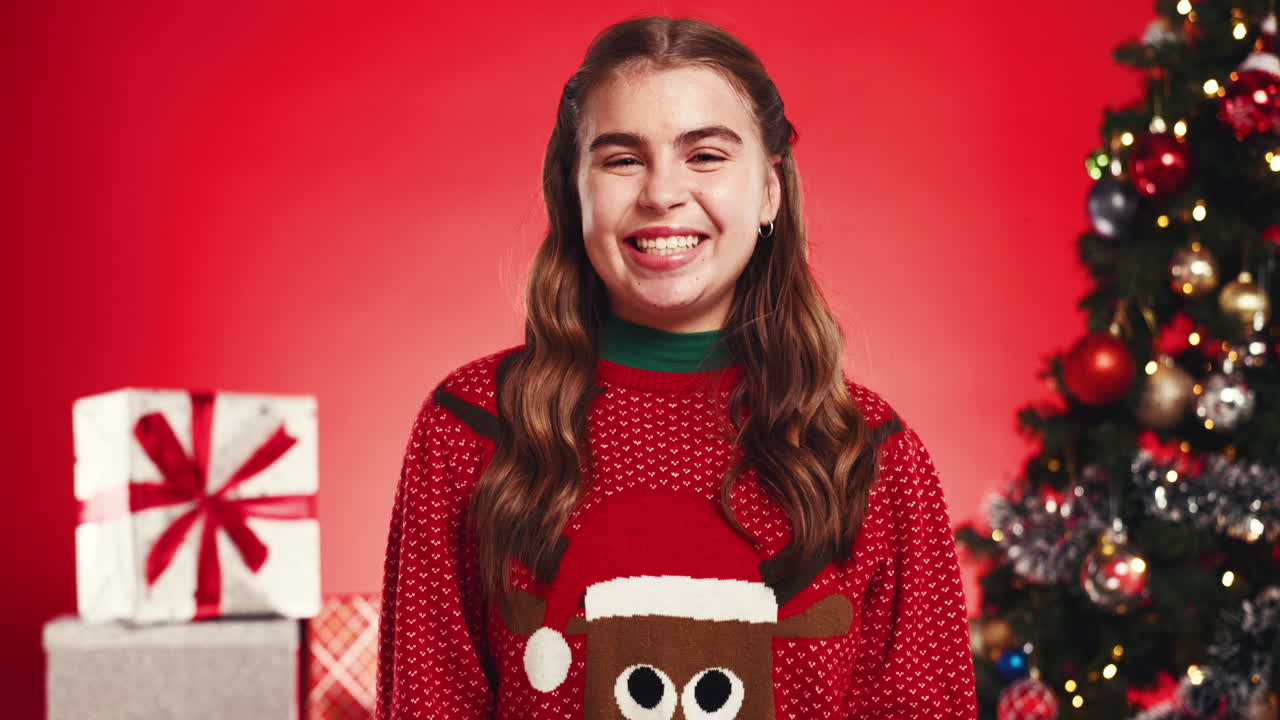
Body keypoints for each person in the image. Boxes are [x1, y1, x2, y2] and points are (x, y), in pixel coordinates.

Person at [376, 15, 977, 720]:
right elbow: (428, 702)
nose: (662, 193)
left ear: (770, 192)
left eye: (706, 156)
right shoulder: (473, 425)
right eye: (622, 159)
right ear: (574, 191)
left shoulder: (868, 451)